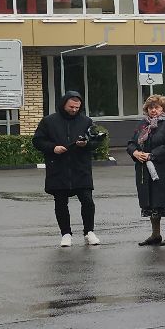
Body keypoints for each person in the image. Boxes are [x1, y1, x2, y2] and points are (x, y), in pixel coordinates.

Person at [34, 90, 105, 247]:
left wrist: (86, 144)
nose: (74, 110)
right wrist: (53, 148)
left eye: (77, 107)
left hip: (81, 167)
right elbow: (37, 141)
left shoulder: (86, 121)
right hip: (58, 167)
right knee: (60, 202)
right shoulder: (48, 121)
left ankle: (89, 232)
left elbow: (95, 141)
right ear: (63, 104)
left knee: (87, 200)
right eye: (71, 107)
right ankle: (65, 234)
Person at [128, 94, 165, 246]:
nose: (153, 111)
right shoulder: (142, 124)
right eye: (150, 108)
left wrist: (152, 155)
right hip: (145, 169)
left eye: (157, 107)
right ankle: (155, 234)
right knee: (152, 201)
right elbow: (131, 143)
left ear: (163, 108)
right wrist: (135, 152)